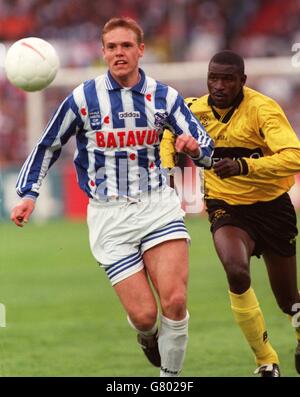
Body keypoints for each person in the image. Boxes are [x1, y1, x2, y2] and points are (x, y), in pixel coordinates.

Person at [10, 17, 214, 377]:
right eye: (112, 47)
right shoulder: (82, 98)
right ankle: (147, 336)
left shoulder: (164, 96)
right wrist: (29, 194)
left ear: (141, 50)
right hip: (109, 216)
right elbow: (48, 145)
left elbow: (208, 150)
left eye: (126, 46)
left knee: (176, 301)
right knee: (145, 316)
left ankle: (170, 380)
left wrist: (195, 149)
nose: (119, 53)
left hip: (157, 206)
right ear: (103, 52)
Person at [161, 50, 300, 377]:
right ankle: (266, 361)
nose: (219, 85)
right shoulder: (194, 110)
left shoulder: (262, 109)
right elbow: (169, 130)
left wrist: (243, 165)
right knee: (236, 272)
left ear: (242, 81)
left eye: (227, 79)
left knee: (288, 301)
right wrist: (169, 168)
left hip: (273, 207)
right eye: (213, 78)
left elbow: (294, 156)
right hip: (227, 207)